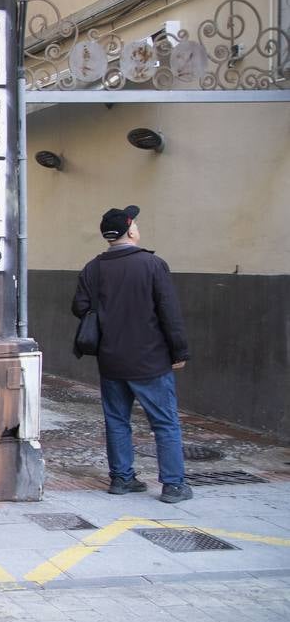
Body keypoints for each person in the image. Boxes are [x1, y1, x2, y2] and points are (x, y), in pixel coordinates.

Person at [72, 205, 191, 504]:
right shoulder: (152, 265)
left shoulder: (93, 268)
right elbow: (169, 313)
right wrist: (179, 351)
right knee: (164, 422)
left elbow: (79, 307)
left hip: (112, 360)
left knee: (117, 420)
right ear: (131, 230)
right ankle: (174, 485)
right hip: (151, 360)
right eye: (134, 222)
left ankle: (122, 479)